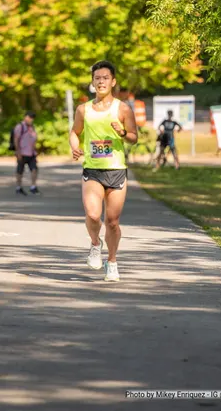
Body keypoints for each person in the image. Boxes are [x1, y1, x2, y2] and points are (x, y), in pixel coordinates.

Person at [70, 60, 138, 282]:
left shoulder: (123, 109)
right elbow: (74, 132)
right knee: (92, 214)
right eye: (97, 78)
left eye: (105, 78)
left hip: (117, 169)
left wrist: (122, 133)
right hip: (93, 169)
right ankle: (95, 244)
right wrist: (75, 146)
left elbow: (134, 138)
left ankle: (112, 262)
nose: (101, 82)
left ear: (113, 81)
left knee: (112, 221)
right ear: (93, 82)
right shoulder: (83, 109)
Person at [14, 111, 40, 196]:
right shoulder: (20, 127)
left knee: (34, 169)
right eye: (29, 117)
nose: (31, 120)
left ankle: (33, 187)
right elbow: (16, 140)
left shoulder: (32, 127)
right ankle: (18, 187)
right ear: (25, 117)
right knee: (20, 171)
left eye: (32, 118)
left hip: (31, 153)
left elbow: (33, 139)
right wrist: (18, 152)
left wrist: (35, 151)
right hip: (22, 152)